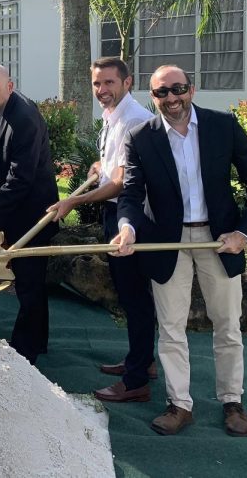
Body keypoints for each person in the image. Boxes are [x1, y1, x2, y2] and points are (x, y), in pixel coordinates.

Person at [114, 65, 247, 437]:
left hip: (220, 240)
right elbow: (132, 195)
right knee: (170, 329)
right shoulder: (141, 137)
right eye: (161, 93)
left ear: (192, 89)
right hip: (167, 243)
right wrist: (127, 227)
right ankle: (179, 405)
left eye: (177, 89)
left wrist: (244, 234)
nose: (171, 98)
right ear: (152, 98)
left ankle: (232, 401)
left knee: (228, 326)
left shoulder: (223, 126)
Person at [48, 58, 156, 401]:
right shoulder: (115, 117)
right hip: (119, 214)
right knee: (131, 294)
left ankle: (137, 380)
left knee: (134, 294)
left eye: (109, 83)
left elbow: (122, 183)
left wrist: (72, 203)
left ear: (127, 82)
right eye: (97, 84)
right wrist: (100, 166)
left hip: (131, 218)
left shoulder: (134, 118)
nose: (102, 91)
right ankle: (143, 361)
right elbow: (113, 169)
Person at [0, 64, 59, 364]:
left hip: (35, 214)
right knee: (29, 281)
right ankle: (37, 341)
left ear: (10, 86)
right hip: (19, 208)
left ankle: (26, 351)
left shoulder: (24, 119)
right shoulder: (1, 109)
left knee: (29, 281)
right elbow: (0, 172)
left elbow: (20, 178)